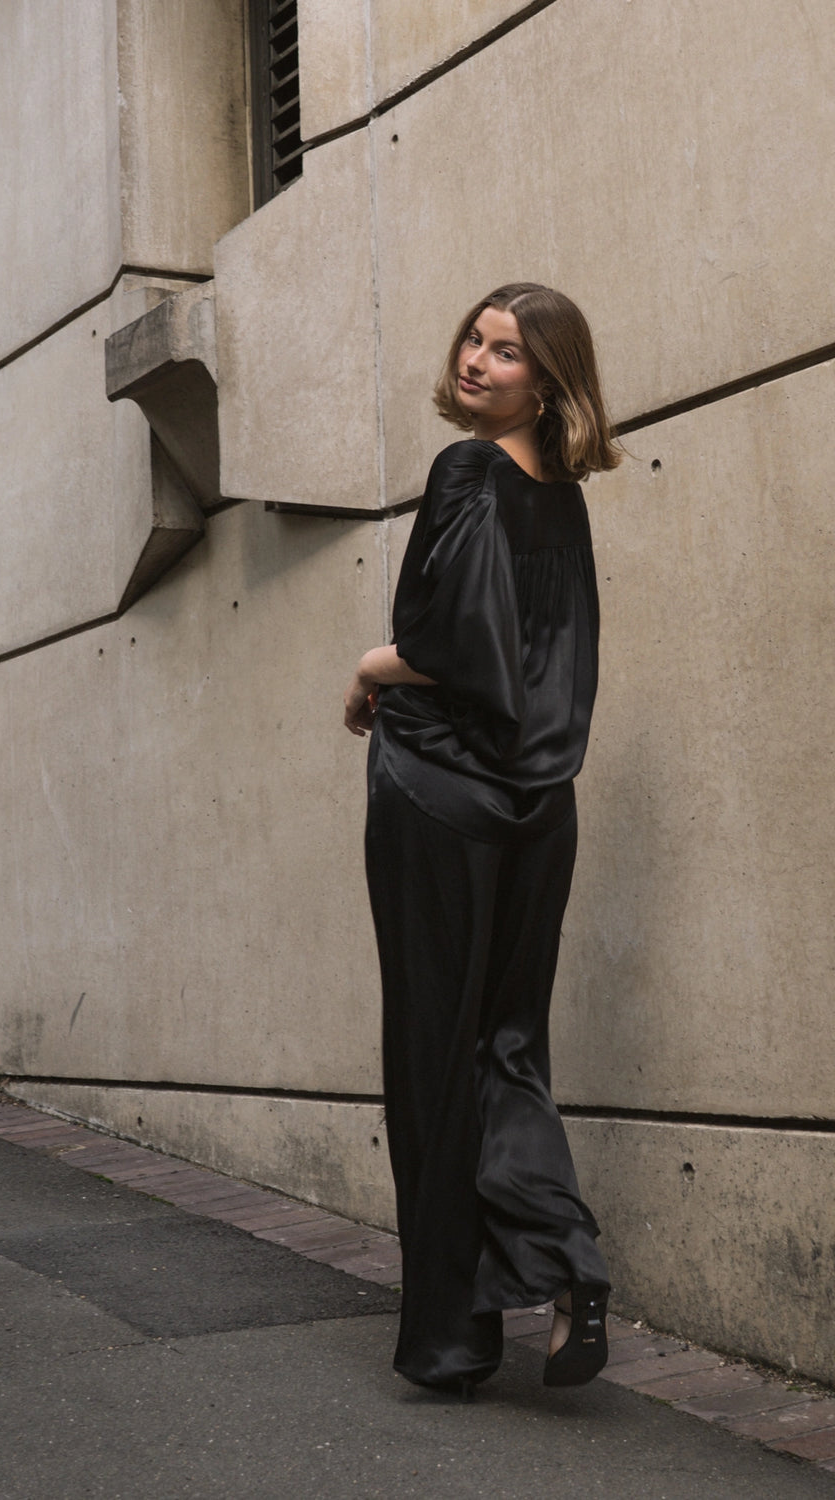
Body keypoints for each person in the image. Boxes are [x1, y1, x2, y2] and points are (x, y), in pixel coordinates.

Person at [343, 283, 622, 1398]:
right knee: (506, 1043)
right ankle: (567, 1261)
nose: (477, 360)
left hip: (437, 792)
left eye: (508, 353)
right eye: (473, 335)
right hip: (540, 803)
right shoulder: (562, 499)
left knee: (433, 1054)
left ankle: (455, 1343)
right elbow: (545, 660)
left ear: (547, 382)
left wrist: (370, 668)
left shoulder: (468, 473)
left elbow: (455, 640)